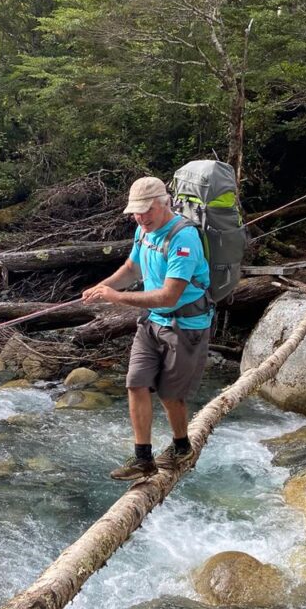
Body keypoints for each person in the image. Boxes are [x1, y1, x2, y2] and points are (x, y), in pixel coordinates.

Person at [82, 175, 212, 480]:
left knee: (169, 395)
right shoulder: (143, 231)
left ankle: (182, 446)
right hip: (153, 322)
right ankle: (143, 459)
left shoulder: (184, 238)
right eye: (136, 212)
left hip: (186, 325)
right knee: (135, 383)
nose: (140, 217)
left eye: (147, 211)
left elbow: (169, 295)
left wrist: (117, 298)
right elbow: (132, 269)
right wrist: (102, 286)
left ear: (163, 203)